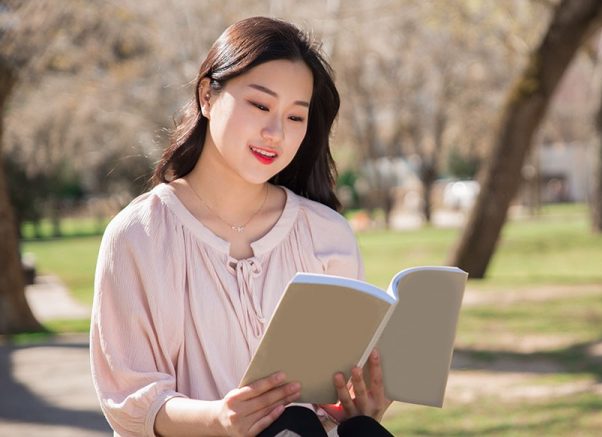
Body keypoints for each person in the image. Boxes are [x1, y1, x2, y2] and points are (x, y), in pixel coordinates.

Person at [90, 16, 393, 437]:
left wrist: (357, 410)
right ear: (207, 97)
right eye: (260, 105)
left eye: (295, 117)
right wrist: (220, 420)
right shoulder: (138, 235)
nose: (275, 133)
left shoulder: (329, 235)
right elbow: (130, 401)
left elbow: (329, 402)